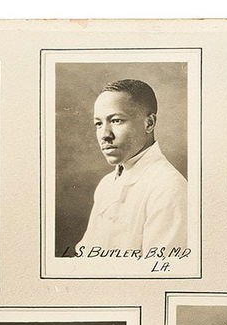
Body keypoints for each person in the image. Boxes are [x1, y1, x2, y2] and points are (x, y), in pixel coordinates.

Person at [74, 79, 188, 254]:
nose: (105, 135)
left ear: (149, 123)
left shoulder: (169, 188)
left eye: (117, 120)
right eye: (98, 123)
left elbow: (161, 275)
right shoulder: (107, 183)